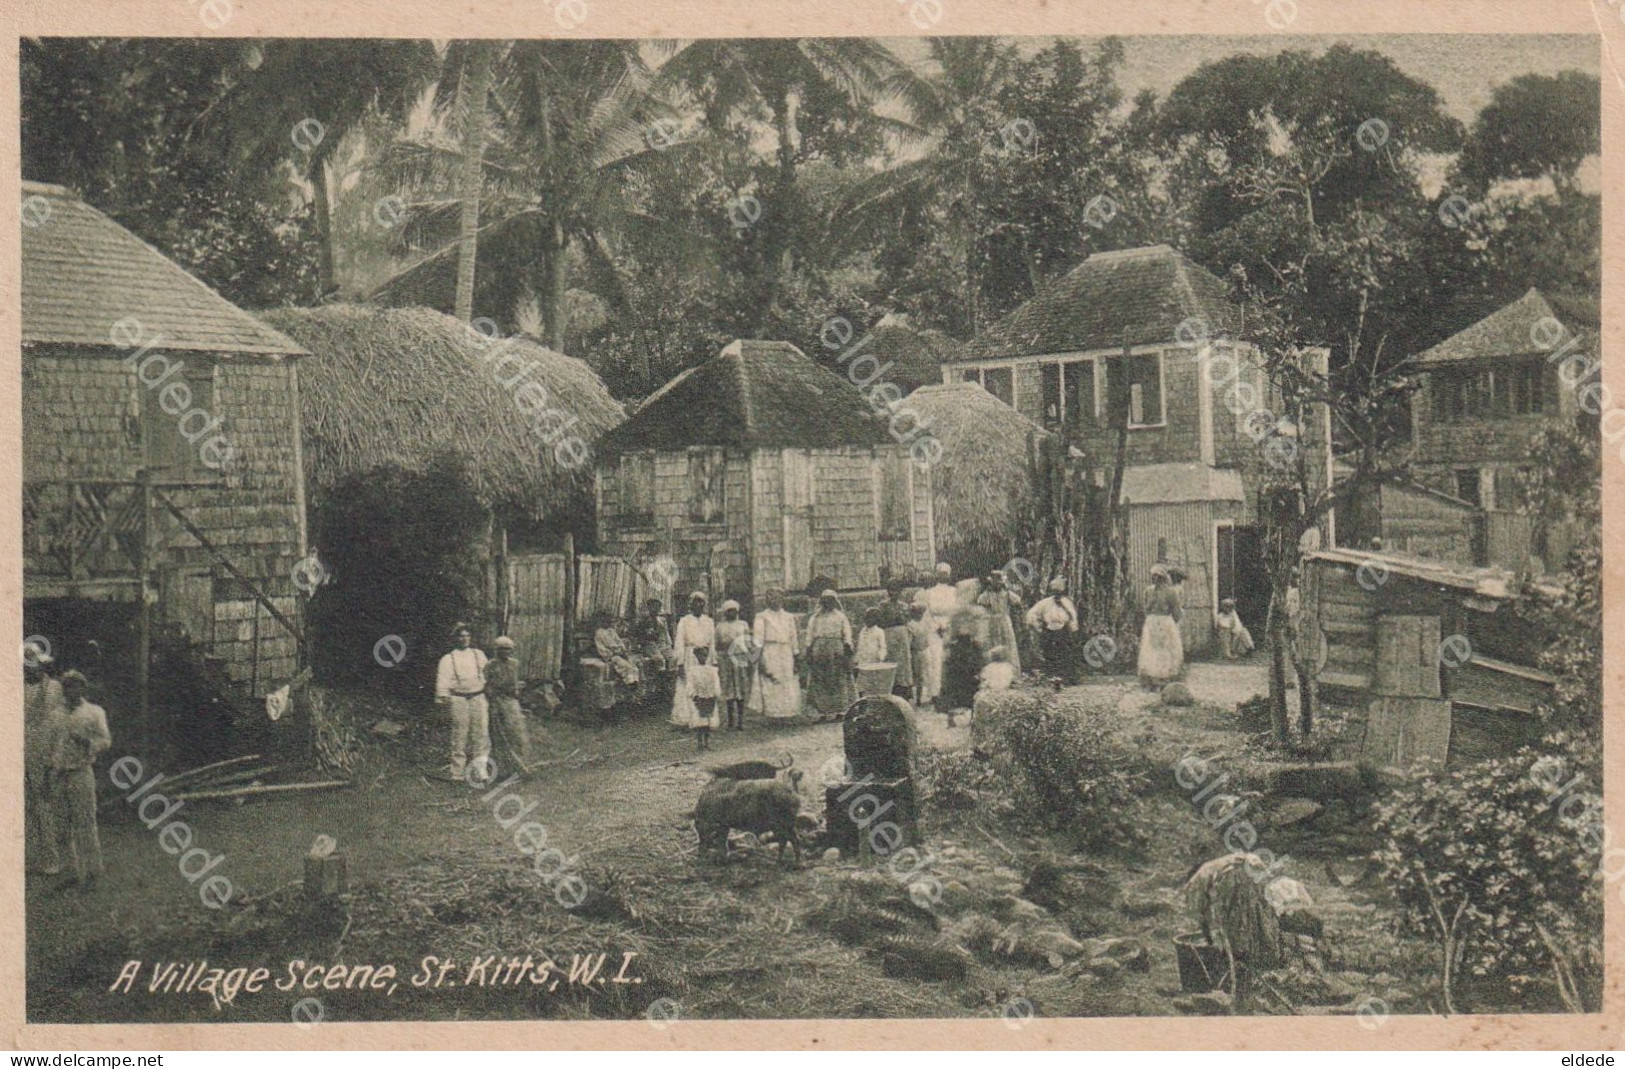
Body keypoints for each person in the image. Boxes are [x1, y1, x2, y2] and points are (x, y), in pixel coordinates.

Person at [50, 670, 110, 890]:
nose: (71, 691)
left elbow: (105, 740)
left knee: (85, 824)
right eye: (67, 687)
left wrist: (87, 743)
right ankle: (71, 873)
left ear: (83, 688)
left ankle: (93, 873)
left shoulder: (93, 712)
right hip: (59, 773)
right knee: (61, 826)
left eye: (76, 686)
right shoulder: (56, 714)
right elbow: (50, 745)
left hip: (81, 772)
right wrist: (50, 770)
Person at [25, 653, 67, 876]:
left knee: (45, 807)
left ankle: (51, 860)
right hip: (21, 754)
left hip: (46, 754)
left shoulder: (55, 689)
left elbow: (60, 724)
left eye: (36, 664)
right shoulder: (16, 688)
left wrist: (55, 757)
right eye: (27, 665)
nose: (32, 668)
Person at [435, 624, 490, 782]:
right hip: (458, 699)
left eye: (467, 635)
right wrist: (442, 697)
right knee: (459, 735)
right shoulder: (448, 658)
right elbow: (443, 680)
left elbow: (487, 674)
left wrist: (489, 689)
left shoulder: (477, 654)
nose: (464, 639)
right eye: (461, 636)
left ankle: (480, 770)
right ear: (455, 639)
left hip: (478, 697)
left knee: (481, 733)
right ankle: (457, 772)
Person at [802, 589, 855, 721]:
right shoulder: (815, 617)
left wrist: (847, 644)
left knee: (838, 679)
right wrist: (808, 648)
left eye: (831, 600)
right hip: (819, 649)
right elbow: (810, 634)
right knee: (820, 680)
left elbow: (846, 632)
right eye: (826, 600)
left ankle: (840, 711)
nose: (828, 603)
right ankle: (822, 712)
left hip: (836, 649)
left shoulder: (840, 616)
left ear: (835, 601)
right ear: (822, 601)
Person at [751, 588, 801, 722]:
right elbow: (757, 639)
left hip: (785, 652)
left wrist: (796, 657)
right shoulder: (761, 616)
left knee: (786, 680)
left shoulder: (789, 617)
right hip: (770, 651)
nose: (773, 600)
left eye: (776, 597)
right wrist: (758, 659)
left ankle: (787, 714)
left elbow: (793, 638)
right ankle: (773, 716)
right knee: (771, 681)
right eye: (769, 597)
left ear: (782, 599)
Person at [486, 636, 532, 773]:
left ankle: (521, 765)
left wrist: (517, 691)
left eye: (508, 649)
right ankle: (503, 768)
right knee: (499, 735)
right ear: (496, 650)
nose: (506, 652)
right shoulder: (490, 665)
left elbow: (518, 682)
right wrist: (493, 699)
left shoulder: (514, 664)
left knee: (517, 734)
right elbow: (487, 685)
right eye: (502, 649)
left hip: (512, 702)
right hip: (496, 702)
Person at [671, 592, 716, 729]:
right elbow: (679, 643)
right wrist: (679, 663)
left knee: (704, 686)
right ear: (690, 604)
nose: (699, 604)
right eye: (696, 602)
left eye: (702, 602)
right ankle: (686, 718)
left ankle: (704, 718)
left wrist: (713, 661)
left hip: (704, 657)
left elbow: (712, 643)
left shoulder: (709, 621)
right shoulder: (684, 621)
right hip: (689, 657)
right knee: (688, 686)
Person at [918, 562, 960, 707]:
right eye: (941, 574)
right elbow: (928, 613)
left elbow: (956, 612)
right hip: (934, 630)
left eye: (946, 574)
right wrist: (937, 627)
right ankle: (935, 693)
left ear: (949, 575)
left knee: (950, 659)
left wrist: (948, 626)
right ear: (937, 575)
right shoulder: (929, 593)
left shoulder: (955, 591)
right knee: (935, 660)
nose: (943, 576)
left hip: (950, 627)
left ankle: (951, 692)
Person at [1137, 564, 1185, 687]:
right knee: (1152, 648)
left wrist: (1170, 623)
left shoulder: (1171, 592)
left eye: (1158, 577)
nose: (1156, 579)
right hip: (1153, 621)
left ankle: (1164, 676)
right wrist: (1152, 618)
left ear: (1163, 578)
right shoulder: (1148, 591)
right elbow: (1145, 608)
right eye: (1154, 577)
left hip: (1164, 621)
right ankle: (1153, 675)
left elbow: (1176, 611)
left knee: (1165, 648)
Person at [940, 604, 986, 727]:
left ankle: (968, 718)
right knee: (958, 692)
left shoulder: (971, 643)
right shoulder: (960, 617)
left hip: (964, 667)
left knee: (965, 692)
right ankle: (955, 719)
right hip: (961, 667)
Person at [1025, 577, 1079, 682]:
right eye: (1055, 592)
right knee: (1049, 653)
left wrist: (1072, 628)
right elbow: (1032, 614)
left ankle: (1066, 677)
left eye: (1059, 592)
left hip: (1063, 630)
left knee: (1065, 653)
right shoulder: (1045, 603)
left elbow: (1073, 616)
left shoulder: (1067, 603)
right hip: (1049, 630)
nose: (1057, 594)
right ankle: (1051, 676)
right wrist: (1037, 626)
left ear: (1062, 592)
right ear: (1052, 591)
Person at [715, 600, 755, 731]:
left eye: (734, 610)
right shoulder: (720, 627)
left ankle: (741, 720)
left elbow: (748, 643)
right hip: (726, 660)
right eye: (729, 611)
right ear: (725, 613)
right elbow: (717, 645)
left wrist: (750, 658)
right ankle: (731, 720)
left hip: (740, 659)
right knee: (729, 690)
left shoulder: (743, 624)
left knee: (741, 689)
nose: (731, 613)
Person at [876, 578, 916, 701]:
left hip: (902, 637)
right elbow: (880, 622)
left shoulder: (904, 606)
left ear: (900, 591)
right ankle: (891, 690)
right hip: (888, 636)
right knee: (891, 661)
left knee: (904, 663)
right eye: (891, 590)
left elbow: (908, 621)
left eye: (896, 590)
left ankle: (904, 691)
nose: (893, 593)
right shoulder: (883, 605)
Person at [977, 571, 1023, 674]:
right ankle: (993, 671)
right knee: (993, 643)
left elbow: (1018, 601)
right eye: (995, 581)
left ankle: (1010, 671)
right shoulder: (988, 594)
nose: (997, 584)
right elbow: (980, 601)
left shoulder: (1007, 594)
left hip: (1004, 620)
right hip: (992, 620)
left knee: (1007, 643)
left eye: (999, 581)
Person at [687, 646, 721, 751]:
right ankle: (699, 743)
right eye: (701, 655)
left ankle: (706, 742)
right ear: (696, 656)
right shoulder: (692, 670)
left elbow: (716, 683)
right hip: (699, 697)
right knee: (699, 722)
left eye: (705, 655)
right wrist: (693, 695)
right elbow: (690, 684)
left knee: (708, 721)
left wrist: (716, 693)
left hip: (709, 696)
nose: (703, 658)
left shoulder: (711, 670)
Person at [594, 614, 642, 687]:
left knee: (634, 667)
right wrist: (614, 652)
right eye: (606, 621)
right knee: (625, 666)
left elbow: (619, 641)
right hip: (611, 654)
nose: (608, 623)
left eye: (609, 621)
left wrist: (623, 649)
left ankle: (635, 682)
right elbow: (605, 645)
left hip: (619, 652)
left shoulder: (611, 631)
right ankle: (630, 683)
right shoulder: (599, 632)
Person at [975, 646, 1017, 718]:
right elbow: (1013, 681)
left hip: (992, 694)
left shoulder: (988, 668)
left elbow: (983, 681)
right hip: (1005, 693)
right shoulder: (1009, 667)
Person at [907, 603, 934, 706]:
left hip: (925, 650)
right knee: (917, 676)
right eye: (917, 613)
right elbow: (910, 641)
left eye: (921, 613)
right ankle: (917, 698)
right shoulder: (910, 625)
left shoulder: (924, 623)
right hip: (916, 652)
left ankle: (928, 696)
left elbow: (928, 638)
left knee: (927, 674)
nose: (919, 615)